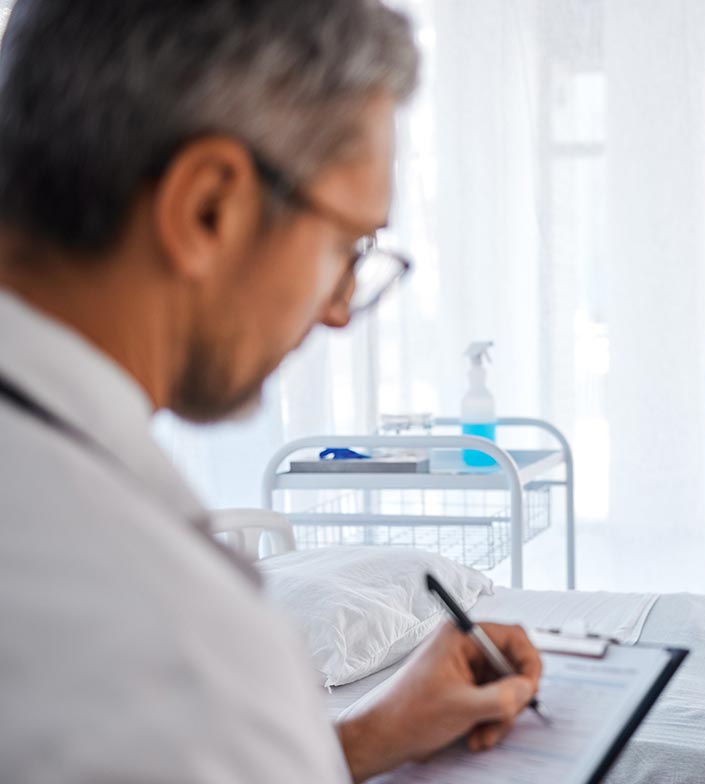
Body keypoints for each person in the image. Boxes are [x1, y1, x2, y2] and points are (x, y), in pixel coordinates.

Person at [0, 2, 541, 781]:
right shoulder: (167, 628)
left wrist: (367, 737)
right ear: (208, 207)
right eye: (347, 246)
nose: (340, 310)